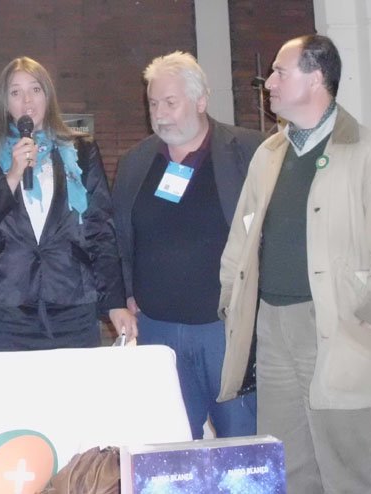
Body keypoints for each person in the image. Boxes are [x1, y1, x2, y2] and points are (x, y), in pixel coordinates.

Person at [217, 34, 371, 492]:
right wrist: (233, 295)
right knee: (288, 463)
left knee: (350, 468)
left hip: (337, 324)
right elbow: (243, 236)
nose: (269, 82)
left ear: (315, 79)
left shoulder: (369, 151)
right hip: (272, 327)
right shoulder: (268, 154)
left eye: (279, 71)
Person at [112, 51, 262, 440]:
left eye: (170, 102)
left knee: (242, 445)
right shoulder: (135, 162)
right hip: (158, 332)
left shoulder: (249, 152)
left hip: (225, 332)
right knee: (169, 449)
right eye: (153, 104)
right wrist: (123, 295)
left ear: (200, 100)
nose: (160, 114)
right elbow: (118, 236)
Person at [0, 56, 136, 352]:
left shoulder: (81, 149)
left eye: (35, 89)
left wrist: (115, 303)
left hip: (71, 303)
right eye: (15, 92)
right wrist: (12, 175)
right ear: (4, 102)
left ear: (48, 96)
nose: (27, 100)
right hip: (4, 308)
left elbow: (100, 231)